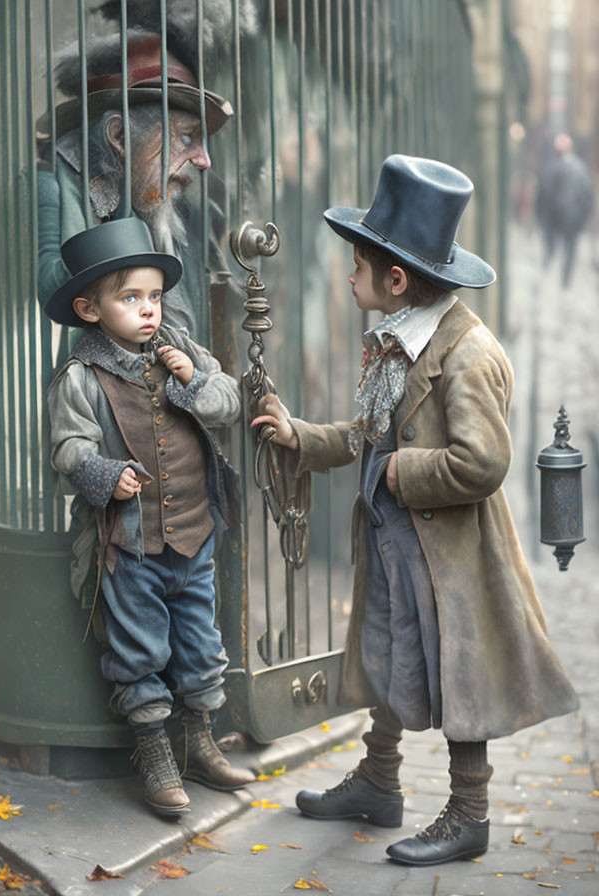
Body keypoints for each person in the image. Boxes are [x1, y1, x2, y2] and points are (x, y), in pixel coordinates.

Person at [252, 155, 579, 866]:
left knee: (455, 671)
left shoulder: (466, 354)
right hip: (397, 543)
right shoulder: (401, 339)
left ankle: (470, 812)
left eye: (358, 266)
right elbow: (369, 434)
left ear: (395, 281)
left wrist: (403, 471)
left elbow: (484, 462)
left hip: (448, 558)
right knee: (383, 654)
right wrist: (301, 437)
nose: (348, 277)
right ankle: (378, 779)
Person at [45, 215, 255, 817]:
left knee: (201, 641)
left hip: (195, 534)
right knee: (140, 648)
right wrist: (105, 476)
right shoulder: (81, 377)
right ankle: (156, 755)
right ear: (90, 309)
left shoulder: (181, 349)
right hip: (130, 545)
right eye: (129, 297)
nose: (148, 310)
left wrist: (192, 382)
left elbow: (229, 400)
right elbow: (68, 448)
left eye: (155, 296)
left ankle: (199, 741)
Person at [37, 31, 234, 334]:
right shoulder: (54, 186)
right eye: (184, 137)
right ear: (119, 138)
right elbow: (51, 289)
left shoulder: (174, 199)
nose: (204, 161)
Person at [535, 133, 594, 288]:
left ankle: (559, 276)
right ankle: (561, 278)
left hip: (565, 218)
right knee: (565, 250)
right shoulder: (577, 168)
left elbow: (543, 193)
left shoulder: (557, 167)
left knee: (560, 249)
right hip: (566, 218)